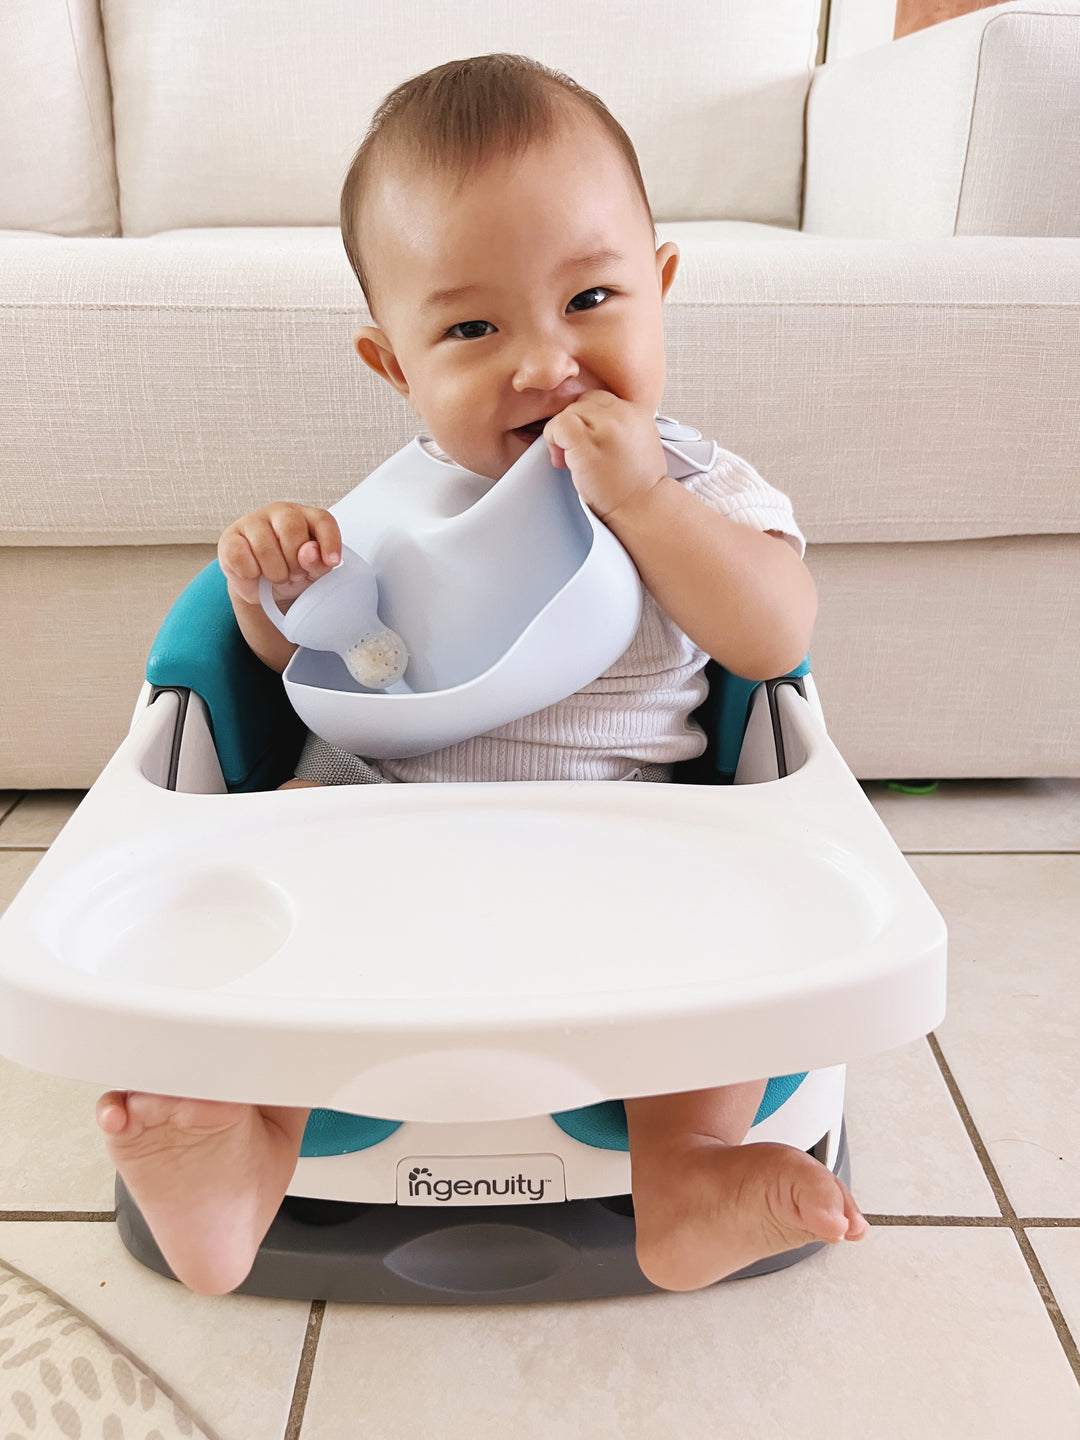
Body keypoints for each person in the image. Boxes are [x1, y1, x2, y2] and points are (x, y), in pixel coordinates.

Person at [96, 54, 868, 1296]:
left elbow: (773, 639)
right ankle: (246, 1155)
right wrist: (270, 588)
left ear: (662, 288)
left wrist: (649, 507)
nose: (542, 362)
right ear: (393, 365)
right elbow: (321, 670)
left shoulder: (701, 486)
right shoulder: (398, 513)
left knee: (731, 938)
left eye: (593, 298)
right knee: (260, 883)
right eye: (470, 328)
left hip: (629, 839)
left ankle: (686, 1172)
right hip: (380, 822)